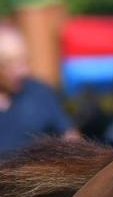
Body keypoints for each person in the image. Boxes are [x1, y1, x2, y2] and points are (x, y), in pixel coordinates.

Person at [0, 21, 78, 154]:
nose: (23, 71)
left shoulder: (40, 92)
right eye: (10, 64)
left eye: (24, 61)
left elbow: (71, 140)